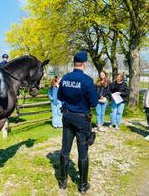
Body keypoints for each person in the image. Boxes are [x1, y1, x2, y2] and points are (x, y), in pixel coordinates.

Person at [57, 50, 98, 193]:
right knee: (83, 153)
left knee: (65, 150)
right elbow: (93, 103)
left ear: (74, 63)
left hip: (68, 117)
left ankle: (62, 182)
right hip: (82, 120)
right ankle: (82, 185)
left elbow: (59, 97)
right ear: (84, 64)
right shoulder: (87, 80)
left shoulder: (65, 78)